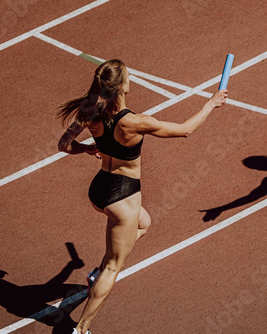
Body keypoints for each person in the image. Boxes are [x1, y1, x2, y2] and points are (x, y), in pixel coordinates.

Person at [57, 59, 228, 333]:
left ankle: (97, 273)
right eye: (129, 75)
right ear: (122, 86)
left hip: (99, 189)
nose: (130, 78)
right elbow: (185, 130)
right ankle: (81, 329)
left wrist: (88, 150)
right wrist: (211, 103)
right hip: (123, 197)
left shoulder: (90, 110)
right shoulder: (135, 123)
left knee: (144, 223)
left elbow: (64, 145)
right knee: (114, 267)